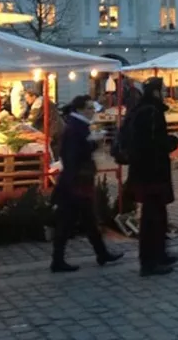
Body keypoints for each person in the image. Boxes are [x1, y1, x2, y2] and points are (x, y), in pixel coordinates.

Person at [50, 95, 122, 273]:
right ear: (81, 109)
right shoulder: (76, 127)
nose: (92, 111)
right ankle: (58, 260)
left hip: (78, 181)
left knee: (89, 219)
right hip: (76, 182)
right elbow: (73, 156)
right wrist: (93, 144)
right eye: (89, 108)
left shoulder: (78, 126)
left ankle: (102, 253)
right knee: (67, 222)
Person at [126, 77, 178, 276]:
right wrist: (171, 141)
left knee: (159, 214)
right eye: (162, 90)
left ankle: (160, 254)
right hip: (150, 172)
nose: (164, 93)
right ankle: (148, 262)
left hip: (148, 170)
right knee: (151, 218)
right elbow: (153, 142)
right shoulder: (150, 112)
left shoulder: (145, 109)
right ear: (155, 92)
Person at [27, 89, 65, 159]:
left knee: (55, 150)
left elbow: (33, 118)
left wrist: (25, 125)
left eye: (27, 98)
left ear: (34, 96)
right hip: (55, 127)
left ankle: (55, 165)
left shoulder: (38, 102)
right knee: (57, 149)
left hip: (54, 129)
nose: (27, 100)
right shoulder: (42, 100)